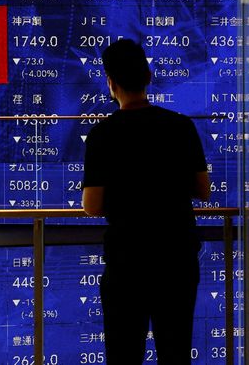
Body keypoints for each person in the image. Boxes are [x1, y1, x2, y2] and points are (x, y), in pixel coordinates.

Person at [81, 38, 211, 365]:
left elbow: (92, 205)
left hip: (127, 261)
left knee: (124, 355)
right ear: (148, 77)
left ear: (111, 83)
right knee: (175, 352)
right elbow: (203, 190)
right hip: (176, 258)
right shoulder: (181, 127)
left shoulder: (102, 135)